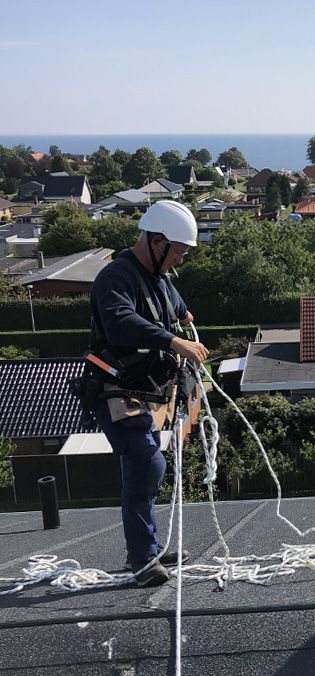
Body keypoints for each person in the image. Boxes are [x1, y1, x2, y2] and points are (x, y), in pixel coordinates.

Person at [88, 200, 209, 586]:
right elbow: (121, 323)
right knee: (145, 461)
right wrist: (175, 341)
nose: (180, 261)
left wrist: (185, 318)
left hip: (148, 391)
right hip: (115, 388)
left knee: (148, 462)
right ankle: (141, 559)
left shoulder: (160, 279)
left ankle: (150, 547)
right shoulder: (115, 277)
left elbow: (176, 306)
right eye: (178, 252)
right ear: (156, 242)